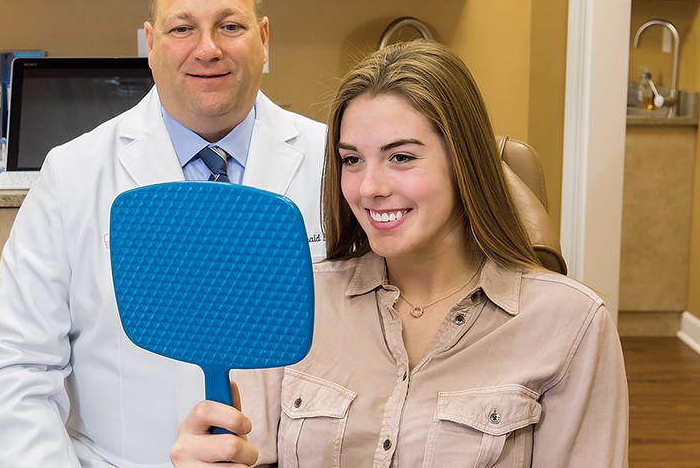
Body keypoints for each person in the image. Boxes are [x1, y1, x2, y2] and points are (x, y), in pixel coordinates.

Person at [171, 40, 629, 467]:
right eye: (352, 159)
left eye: (402, 157)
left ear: (463, 162)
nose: (370, 188)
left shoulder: (572, 324)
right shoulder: (292, 300)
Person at [0, 0, 327, 468]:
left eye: (230, 26)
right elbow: (13, 370)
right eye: (182, 29)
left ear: (264, 40)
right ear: (151, 44)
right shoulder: (74, 175)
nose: (208, 49)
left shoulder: (338, 165)